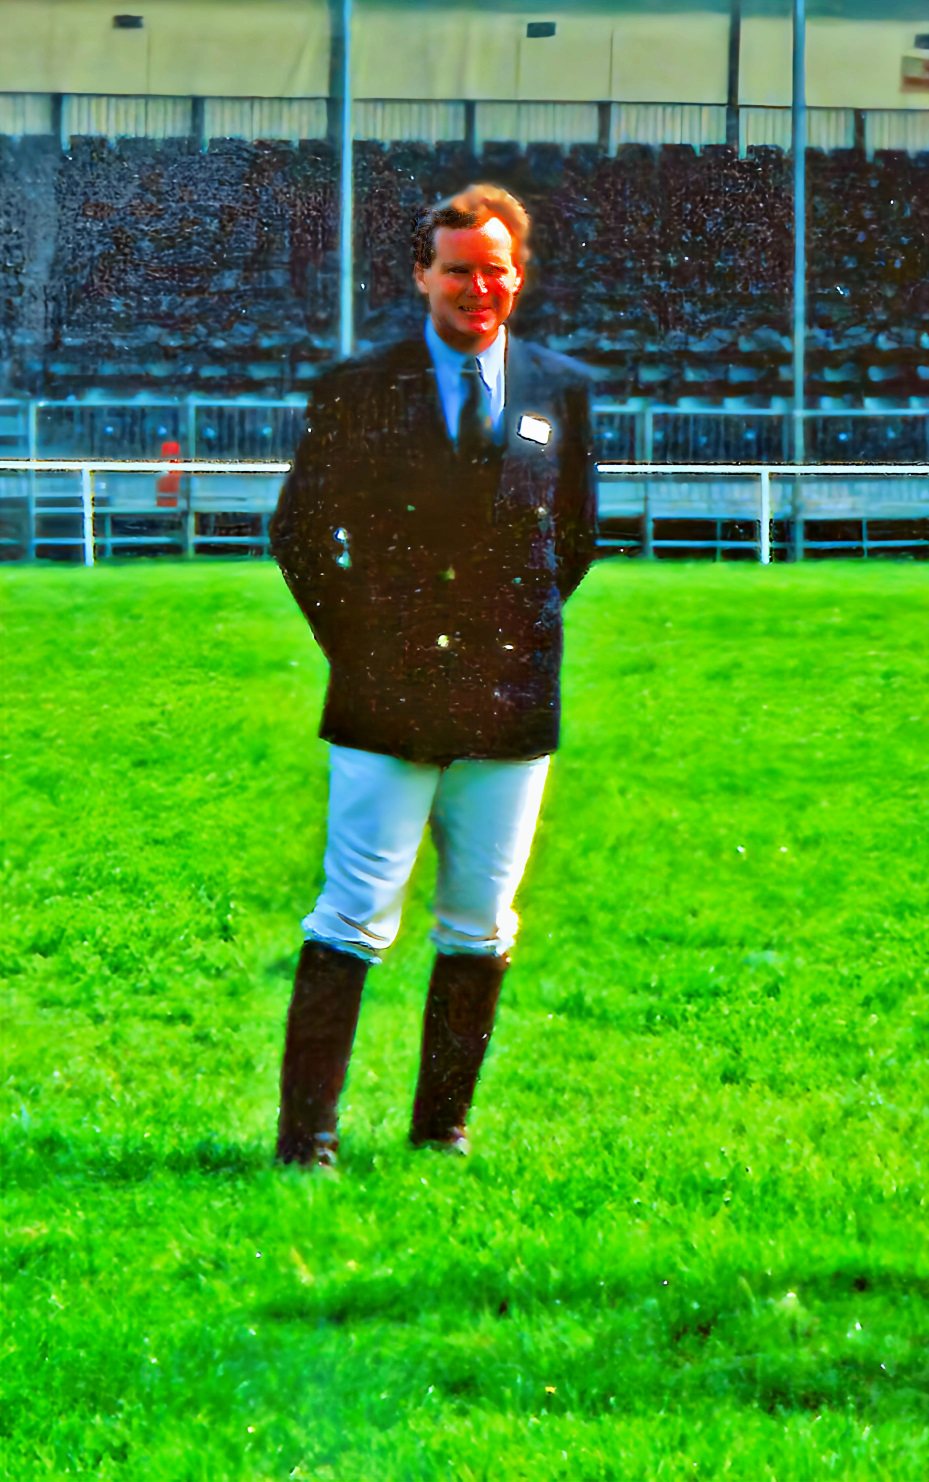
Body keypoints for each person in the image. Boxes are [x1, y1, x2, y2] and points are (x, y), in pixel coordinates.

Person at [269, 182, 597, 1170]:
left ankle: (440, 1131)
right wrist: (363, 644)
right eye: (457, 268)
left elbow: (572, 540)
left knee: (479, 924)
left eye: (494, 268)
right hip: (386, 698)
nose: (476, 286)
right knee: (351, 914)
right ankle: (307, 1143)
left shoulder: (560, 388)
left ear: (518, 274)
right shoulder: (357, 390)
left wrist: (515, 635)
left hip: (510, 704)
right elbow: (294, 534)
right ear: (421, 275)